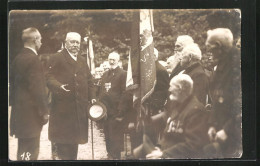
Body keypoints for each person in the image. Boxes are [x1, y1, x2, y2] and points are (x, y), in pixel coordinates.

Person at [133, 74, 209, 159]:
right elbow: (168, 135)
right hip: (166, 154)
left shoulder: (196, 111)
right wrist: (159, 148)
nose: (169, 89)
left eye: (171, 86)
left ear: (180, 89)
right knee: (137, 153)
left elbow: (193, 144)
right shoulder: (176, 105)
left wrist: (164, 154)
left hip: (180, 158)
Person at [46, 32, 96, 160]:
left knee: (74, 143)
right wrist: (59, 86)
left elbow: (90, 81)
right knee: (63, 144)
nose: (75, 45)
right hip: (63, 110)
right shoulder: (57, 57)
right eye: (72, 42)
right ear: (66, 43)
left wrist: (93, 97)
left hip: (79, 111)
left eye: (77, 42)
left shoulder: (82, 60)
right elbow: (48, 77)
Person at [9, 27, 49, 160]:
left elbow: (13, 89)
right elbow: (38, 90)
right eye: (40, 39)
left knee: (23, 150)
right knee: (32, 151)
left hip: (19, 115)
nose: (41, 43)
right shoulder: (34, 60)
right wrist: (44, 112)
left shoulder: (17, 59)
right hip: (31, 115)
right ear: (35, 40)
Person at [204, 28, 242, 157]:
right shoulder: (221, 65)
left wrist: (227, 130)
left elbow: (244, 104)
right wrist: (212, 125)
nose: (210, 53)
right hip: (221, 129)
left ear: (219, 46)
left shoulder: (239, 64)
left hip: (236, 132)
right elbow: (217, 98)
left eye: (211, 49)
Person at [98, 52, 127, 159]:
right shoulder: (105, 74)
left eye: (114, 60)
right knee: (108, 136)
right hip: (105, 111)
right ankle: (109, 155)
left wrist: (121, 110)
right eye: (110, 59)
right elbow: (102, 91)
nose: (111, 61)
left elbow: (125, 93)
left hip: (116, 111)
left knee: (116, 136)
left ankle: (116, 158)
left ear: (118, 61)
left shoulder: (123, 74)